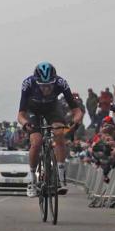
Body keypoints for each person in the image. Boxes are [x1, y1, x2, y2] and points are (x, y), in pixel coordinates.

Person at [17, 62, 83, 197]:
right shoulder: (28, 84)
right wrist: (25, 124)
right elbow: (20, 115)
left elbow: (77, 110)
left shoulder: (61, 83)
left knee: (59, 133)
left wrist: (76, 120)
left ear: (54, 81)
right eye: (43, 86)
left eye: (49, 85)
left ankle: (61, 175)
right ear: (37, 82)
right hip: (33, 110)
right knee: (36, 141)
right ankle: (32, 180)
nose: (46, 89)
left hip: (52, 108)